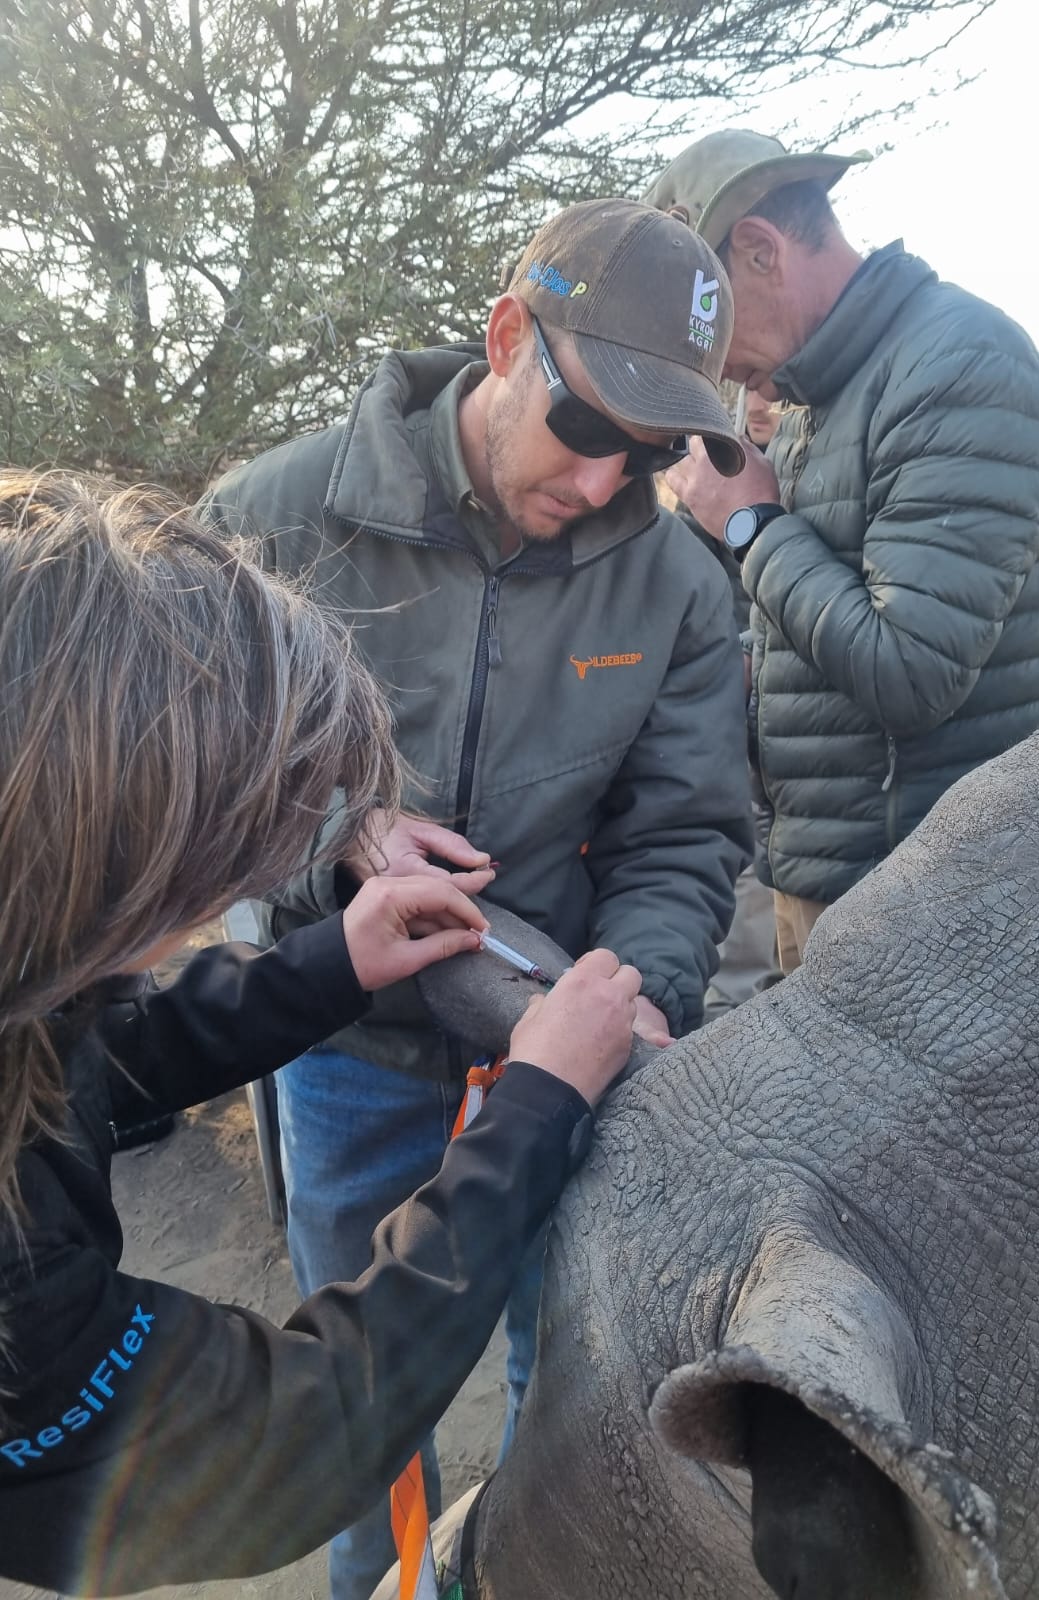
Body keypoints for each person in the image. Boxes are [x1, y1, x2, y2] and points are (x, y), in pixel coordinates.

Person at [204, 198, 753, 1596]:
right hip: (345, 1049)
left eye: (654, 456)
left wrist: (620, 998)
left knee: (563, 1382)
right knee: (357, 1395)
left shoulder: (682, 586)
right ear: (510, 338)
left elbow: (684, 838)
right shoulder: (275, 516)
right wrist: (341, 830)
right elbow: (186, 777)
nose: (607, 483)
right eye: (589, 431)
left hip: (564, 1062)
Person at [0, 472, 640, 1597]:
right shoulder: (15, 1295)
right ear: (84, 866)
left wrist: (328, 964)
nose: (207, 910)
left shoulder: (25, 981)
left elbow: (84, 1054)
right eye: (199, 883)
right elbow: (290, 1438)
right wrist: (532, 1113)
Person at [645, 129, 1039, 971]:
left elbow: (912, 669)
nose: (713, 369)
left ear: (760, 251)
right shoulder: (824, 390)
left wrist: (749, 524)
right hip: (844, 878)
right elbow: (822, 623)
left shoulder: (959, 362)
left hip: (924, 907)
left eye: (707, 330)